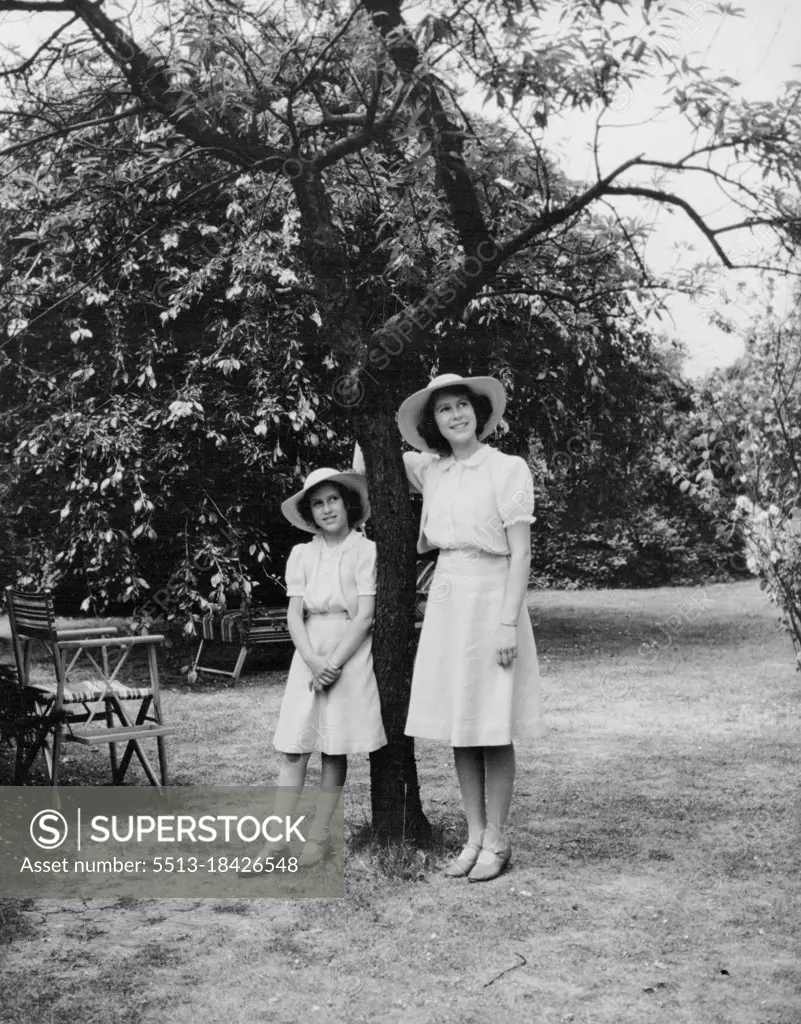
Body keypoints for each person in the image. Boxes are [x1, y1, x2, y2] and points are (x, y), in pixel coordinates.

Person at [357, 373, 543, 882]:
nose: (456, 415)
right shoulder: (431, 470)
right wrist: (362, 394)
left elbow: (522, 551)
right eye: (444, 410)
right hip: (447, 594)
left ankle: (499, 840)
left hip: (493, 592)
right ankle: (475, 835)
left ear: (479, 414)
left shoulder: (506, 468)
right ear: (432, 423)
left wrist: (507, 623)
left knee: (493, 724)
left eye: (464, 405)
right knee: (463, 724)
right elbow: (366, 460)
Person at [267, 467, 387, 869]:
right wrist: (313, 661)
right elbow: (294, 615)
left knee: (333, 749)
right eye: (317, 504)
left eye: (333, 499)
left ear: (347, 503)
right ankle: (278, 839)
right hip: (309, 652)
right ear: (310, 513)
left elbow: (366, 615)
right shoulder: (302, 554)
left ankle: (317, 837)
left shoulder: (365, 550)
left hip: (347, 649)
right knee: (293, 747)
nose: (326, 509)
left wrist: (332, 664)